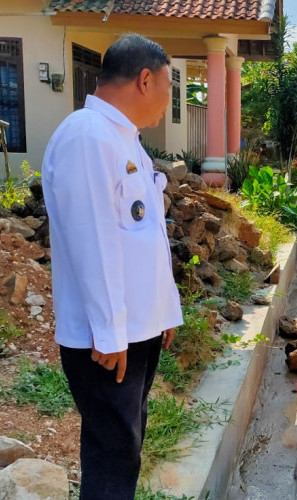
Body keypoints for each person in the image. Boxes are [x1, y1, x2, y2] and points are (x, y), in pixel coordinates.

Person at [42, 34, 183, 499]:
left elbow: (145, 238)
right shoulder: (87, 136)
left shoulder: (125, 140)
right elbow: (93, 243)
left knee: (126, 444)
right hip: (108, 341)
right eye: (168, 87)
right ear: (145, 80)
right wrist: (109, 332)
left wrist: (164, 312)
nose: (168, 100)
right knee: (113, 451)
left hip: (132, 331)